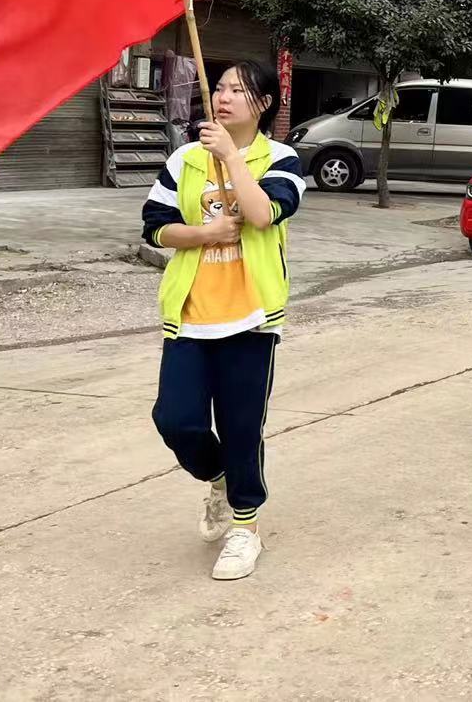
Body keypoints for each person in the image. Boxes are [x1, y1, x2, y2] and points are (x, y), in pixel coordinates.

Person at [142, 61, 305, 582]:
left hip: (251, 318)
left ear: (264, 103)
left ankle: (245, 527)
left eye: (238, 89)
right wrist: (203, 235)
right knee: (176, 419)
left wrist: (231, 156)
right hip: (189, 315)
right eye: (219, 87)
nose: (224, 96)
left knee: (240, 427)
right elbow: (153, 230)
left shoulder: (282, 158)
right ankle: (216, 477)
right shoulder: (184, 160)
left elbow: (262, 215)